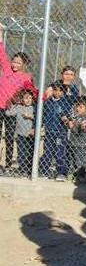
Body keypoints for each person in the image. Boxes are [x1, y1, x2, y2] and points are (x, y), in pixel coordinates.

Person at [0, 23, 33, 173]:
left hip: (13, 110)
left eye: (19, 63)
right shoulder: (6, 68)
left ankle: (7, 164)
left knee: (9, 137)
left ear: (23, 64)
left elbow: (28, 91)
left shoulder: (26, 77)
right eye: (14, 61)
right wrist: (1, 32)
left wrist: (14, 99)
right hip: (0, 106)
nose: (15, 64)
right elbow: (1, 52)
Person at [40, 82, 71, 181]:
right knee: (47, 151)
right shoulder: (48, 102)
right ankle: (43, 171)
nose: (57, 92)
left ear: (63, 92)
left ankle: (61, 173)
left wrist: (66, 119)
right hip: (50, 131)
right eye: (55, 90)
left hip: (60, 132)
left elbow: (68, 115)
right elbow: (43, 115)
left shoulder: (65, 102)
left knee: (60, 152)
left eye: (60, 90)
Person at [7, 84, 37, 176]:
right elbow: (9, 113)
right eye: (25, 98)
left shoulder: (33, 108)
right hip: (20, 134)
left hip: (30, 134)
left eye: (30, 98)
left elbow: (38, 118)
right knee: (21, 152)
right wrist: (12, 104)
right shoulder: (19, 107)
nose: (28, 100)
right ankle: (22, 168)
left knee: (30, 151)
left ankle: (29, 169)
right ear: (21, 99)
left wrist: (31, 116)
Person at [67, 97, 86, 181]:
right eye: (77, 106)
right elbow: (71, 125)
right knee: (72, 160)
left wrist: (81, 126)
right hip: (73, 142)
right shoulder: (75, 117)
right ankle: (73, 174)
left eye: (80, 107)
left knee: (80, 161)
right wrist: (69, 122)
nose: (77, 108)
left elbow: (84, 127)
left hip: (82, 144)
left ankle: (81, 176)